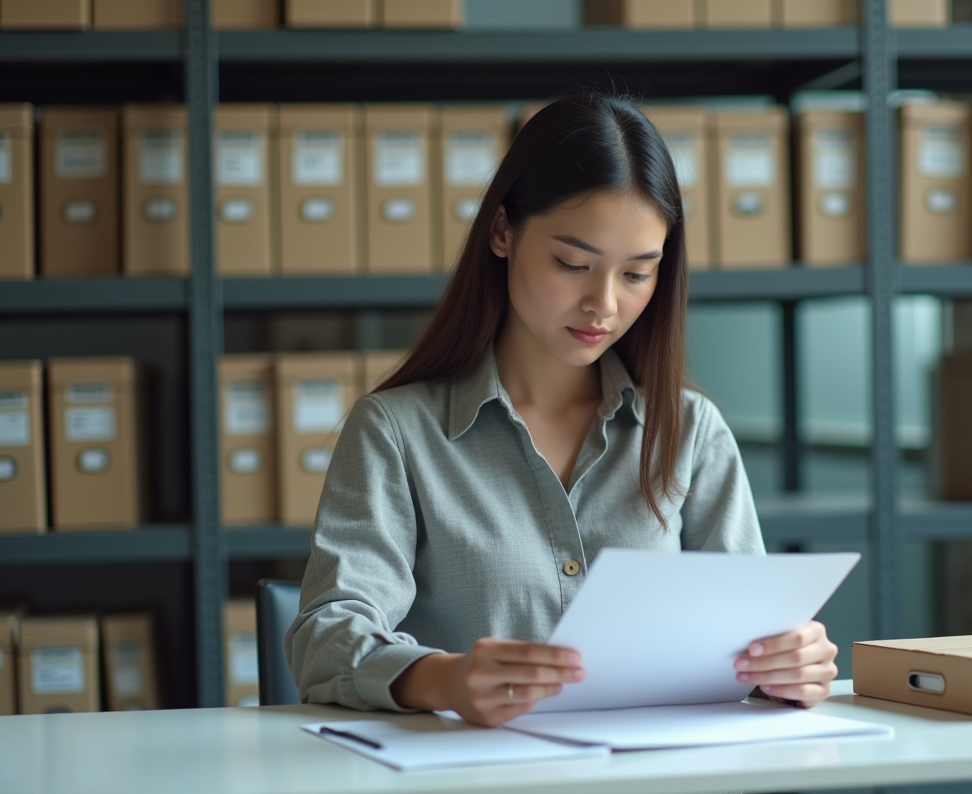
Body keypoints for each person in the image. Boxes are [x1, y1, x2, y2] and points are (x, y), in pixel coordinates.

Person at [284, 90, 838, 728]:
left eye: (637, 274)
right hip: (472, 767)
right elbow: (326, 636)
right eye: (573, 264)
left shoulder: (691, 431)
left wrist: (788, 665)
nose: (604, 303)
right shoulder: (396, 432)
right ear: (502, 232)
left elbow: (752, 636)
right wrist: (443, 678)